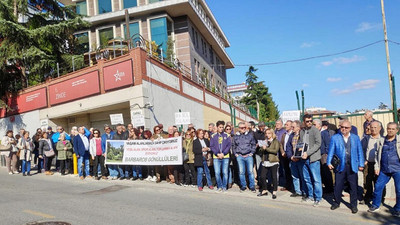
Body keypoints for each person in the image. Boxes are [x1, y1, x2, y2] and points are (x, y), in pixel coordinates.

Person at [328, 120, 364, 214]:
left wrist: (361, 164)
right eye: (342, 127)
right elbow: (331, 151)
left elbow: (359, 151)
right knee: (338, 186)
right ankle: (336, 202)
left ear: (350, 128)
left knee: (353, 187)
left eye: (346, 127)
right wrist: (329, 162)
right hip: (340, 165)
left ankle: (353, 205)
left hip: (352, 165)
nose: (343, 129)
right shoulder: (335, 138)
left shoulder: (355, 138)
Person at [368, 122, 400, 217]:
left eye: (393, 129)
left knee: (399, 190)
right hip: (384, 170)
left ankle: (398, 209)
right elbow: (377, 155)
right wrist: (376, 167)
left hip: (397, 169)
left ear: (397, 130)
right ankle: (375, 205)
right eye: (389, 128)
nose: (390, 130)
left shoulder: (399, 140)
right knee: (378, 187)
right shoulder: (381, 141)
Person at [300, 115, 323, 206]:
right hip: (304, 159)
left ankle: (318, 198)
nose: (309, 122)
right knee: (307, 178)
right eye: (307, 121)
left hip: (314, 158)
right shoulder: (302, 131)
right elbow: (301, 144)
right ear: (304, 122)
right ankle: (310, 196)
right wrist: (298, 152)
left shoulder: (315, 130)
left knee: (316, 179)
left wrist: (308, 153)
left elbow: (318, 144)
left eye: (311, 121)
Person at [361, 121, 385, 205]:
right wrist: (363, 160)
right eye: (372, 127)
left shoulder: (383, 140)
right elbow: (362, 150)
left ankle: (380, 199)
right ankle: (367, 197)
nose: (373, 129)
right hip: (368, 163)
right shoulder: (366, 139)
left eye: (375, 127)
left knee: (379, 182)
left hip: (379, 164)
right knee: (367, 182)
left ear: (380, 128)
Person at [233, 122, 256, 192]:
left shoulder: (250, 136)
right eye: (241, 128)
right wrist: (236, 154)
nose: (243, 129)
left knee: (250, 172)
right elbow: (233, 146)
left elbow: (253, 145)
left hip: (248, 156)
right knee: (241, 172)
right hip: (240, 156)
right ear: (239, 128)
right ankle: (243, 186)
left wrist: (251, 153)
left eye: (244, 127)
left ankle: (252, 186)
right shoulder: (236, 136)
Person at [258, 128, 280, 199]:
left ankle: (274, 191)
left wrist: (266, 148)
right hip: (266, 161)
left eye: (269, 133)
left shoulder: (275, 141)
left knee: (274, 177)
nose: (267, 135)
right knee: (262, 176)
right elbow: (261, 151)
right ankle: (264, 190)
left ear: (272, 133)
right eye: (266, 133)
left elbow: (275, 150)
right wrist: (261, 147)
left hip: (273, 161)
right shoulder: (265, 141)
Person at [286, 120, 306, 198]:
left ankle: (304, 191)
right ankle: (297, 191)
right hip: (293, 159)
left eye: (293, 127)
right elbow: (288, 146)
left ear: (298, 127)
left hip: (301, 159)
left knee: (302, 176)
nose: (292, 128)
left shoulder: (302, 135)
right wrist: (290, 156)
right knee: (294, 176)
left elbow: (304, 146)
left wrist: (299, 156)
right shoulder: (291, 135)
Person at [210, 120, 232, 192]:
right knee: (217, 172)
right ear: (217, 127)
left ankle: (224, 186)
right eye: (220, 127)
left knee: (225, 172)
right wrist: (217, 154)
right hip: (216, 157)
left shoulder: (227, 135)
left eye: (222, 127)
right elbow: (212, 146)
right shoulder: (213, 136)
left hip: (225, 157)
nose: (221, 128)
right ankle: (219, 186)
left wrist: (224, 153)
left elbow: (229, 146)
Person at [317, 120, 334, 194]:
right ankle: (326, 186)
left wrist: (327, 153)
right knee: (323, 172)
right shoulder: (319, 133)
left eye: (315, 124)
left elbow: (328, 143)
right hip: (320, 154)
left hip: (324, 154)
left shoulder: (324, 133)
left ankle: (329, 188)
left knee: (327, 171)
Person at [279, 120, 294, 192]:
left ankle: (294, 187)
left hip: (291, 155)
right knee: (286, 171)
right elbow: (281, 144)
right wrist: (282, 152)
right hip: (284, 155)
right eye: (285, 124)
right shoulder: (284, 134)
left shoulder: (293, 134)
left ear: (291, 126)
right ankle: (288, 185)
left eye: (287, 125)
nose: (285, 126)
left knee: (293, 171)